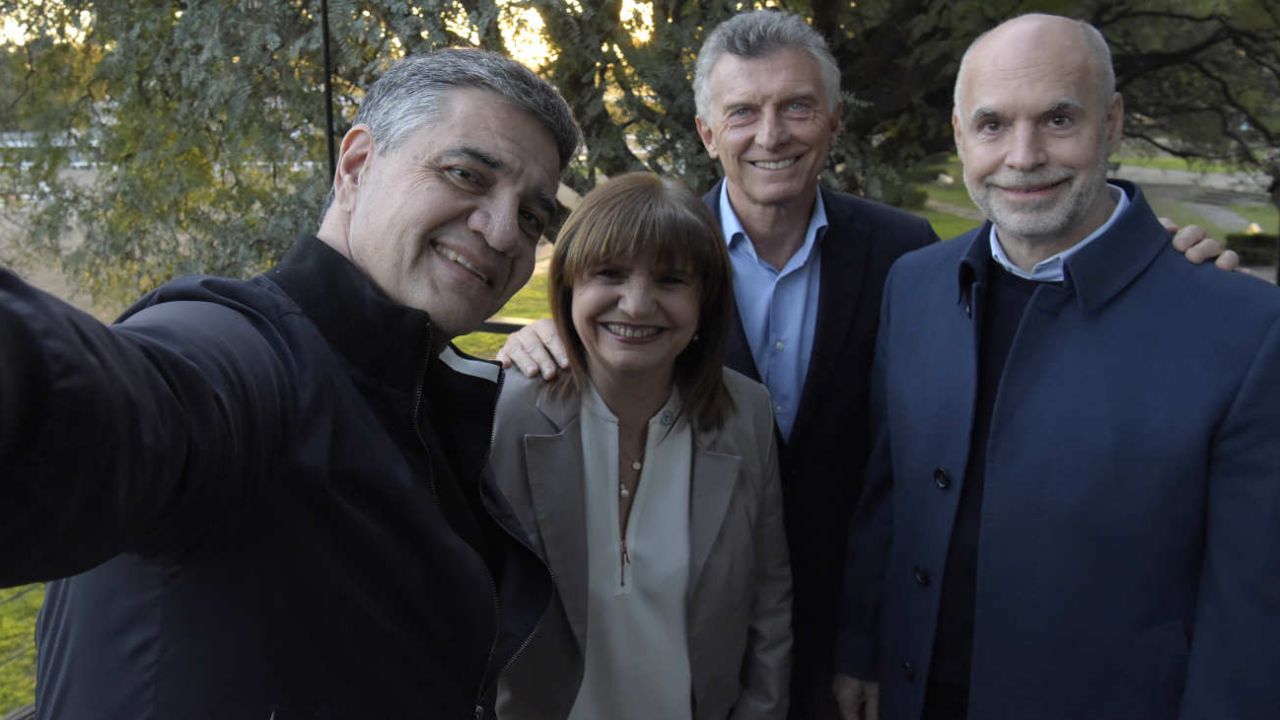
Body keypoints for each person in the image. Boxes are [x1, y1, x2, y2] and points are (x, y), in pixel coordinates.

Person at [496, 10, 1232, 718]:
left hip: (855, 630)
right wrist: (552, 337)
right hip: (695, 627)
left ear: (834, 121)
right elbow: (603, 317)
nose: (771, 134)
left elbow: (926, 440)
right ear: (707, 132)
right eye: (744, 111)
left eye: (798, 107)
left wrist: (1152, 257)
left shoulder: (907, 255)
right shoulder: (663, 257)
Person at [0, 49, 581, 718]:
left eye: (531, 217)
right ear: (356, 165)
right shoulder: (244, 354)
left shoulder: (424, 400)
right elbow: (106, 407)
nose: (504, 232)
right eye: (466, 174)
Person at [835, 14, 1280, 720]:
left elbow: (1249, 619)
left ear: (1112, 123)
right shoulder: (914, 285)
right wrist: (864, 648)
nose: (1023, 155)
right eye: (992, 125)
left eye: (1058, 120)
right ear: (959, 134)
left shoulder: (1246, 330)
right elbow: (890, 493)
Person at [490, 172, 791, 720]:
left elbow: (768, 602)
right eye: (609, 273)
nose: (635, 304)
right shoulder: (506, 415)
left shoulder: (746, 414)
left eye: (671, 280)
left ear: (705, 301)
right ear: (569, 284)